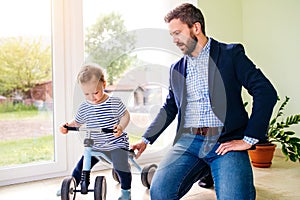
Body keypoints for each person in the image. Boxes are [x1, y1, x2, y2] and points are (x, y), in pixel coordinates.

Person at [131, 3, 277, 200]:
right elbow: (170, 107)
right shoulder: (176, 68)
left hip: (224, 142)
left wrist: (248, 139)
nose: (174, 40)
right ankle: (203, 170)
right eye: (171, 35)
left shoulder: (230, 54)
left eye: (177, 33)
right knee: (160, 193)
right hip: (189, 142)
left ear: (196, 28)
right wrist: (146, 139)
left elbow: (265, 92)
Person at [59, 63, 132, 200]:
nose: (92, 97)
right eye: (86, 94)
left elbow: (125, 115)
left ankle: (126, 192)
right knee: (80, 166)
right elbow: (77, 122)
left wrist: (120, 127)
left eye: (96, 92)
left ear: (104, 84)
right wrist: (67, 126)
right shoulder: (84, 107)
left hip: (116, 143)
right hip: (96, 145)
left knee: (121, 167)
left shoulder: (113, 103)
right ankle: (69, 186)